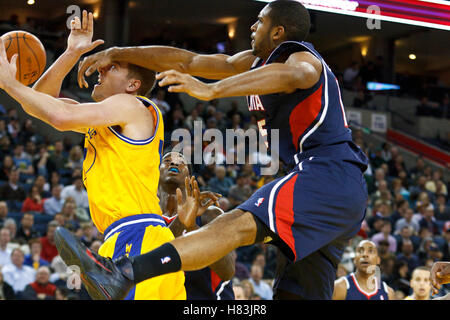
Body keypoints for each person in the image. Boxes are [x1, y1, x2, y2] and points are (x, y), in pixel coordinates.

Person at [54, 0, 368, 300]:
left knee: (235, 224)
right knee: (293, 294)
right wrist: (119, 52)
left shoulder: (299, 56)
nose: (252, 26)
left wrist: (212, 89)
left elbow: (301, 74)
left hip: (326, 170)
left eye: (260, 21)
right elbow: (187, 61)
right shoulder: (252, 63)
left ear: (278, 32)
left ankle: (124, 273)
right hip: (334, 194)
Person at [0, 11, 185, 300]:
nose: (100, 69)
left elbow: (60, 116)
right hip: (119, 241)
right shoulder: (105, 121)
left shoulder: (133, 106)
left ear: (132, 85)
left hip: (140, 236)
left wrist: (9, 84)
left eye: (111, 67)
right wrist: (71, 53)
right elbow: (40, 105)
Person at [158, 151, 235, 300]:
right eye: (167, 160)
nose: (174, 163)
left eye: (181, 162)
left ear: (190, 178)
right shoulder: (146, 217)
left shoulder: (209, 214)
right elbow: (152, 258)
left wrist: (192, 227)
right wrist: (182, 221)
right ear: (155, 173)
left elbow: (227, 271)